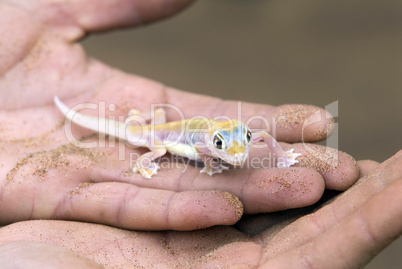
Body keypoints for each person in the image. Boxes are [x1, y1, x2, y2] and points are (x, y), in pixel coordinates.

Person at [0, 0, 400, 267]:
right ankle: (140, 156)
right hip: (165, 136)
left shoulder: (245, 139)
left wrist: (280, 158)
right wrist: (160, 161)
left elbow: (261, 140)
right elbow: (205, 152)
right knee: (153, 147)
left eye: (238, 145)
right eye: (226, 149)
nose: (238, 155)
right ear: (213, 144)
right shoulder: (205, 145)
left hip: (196, 135)